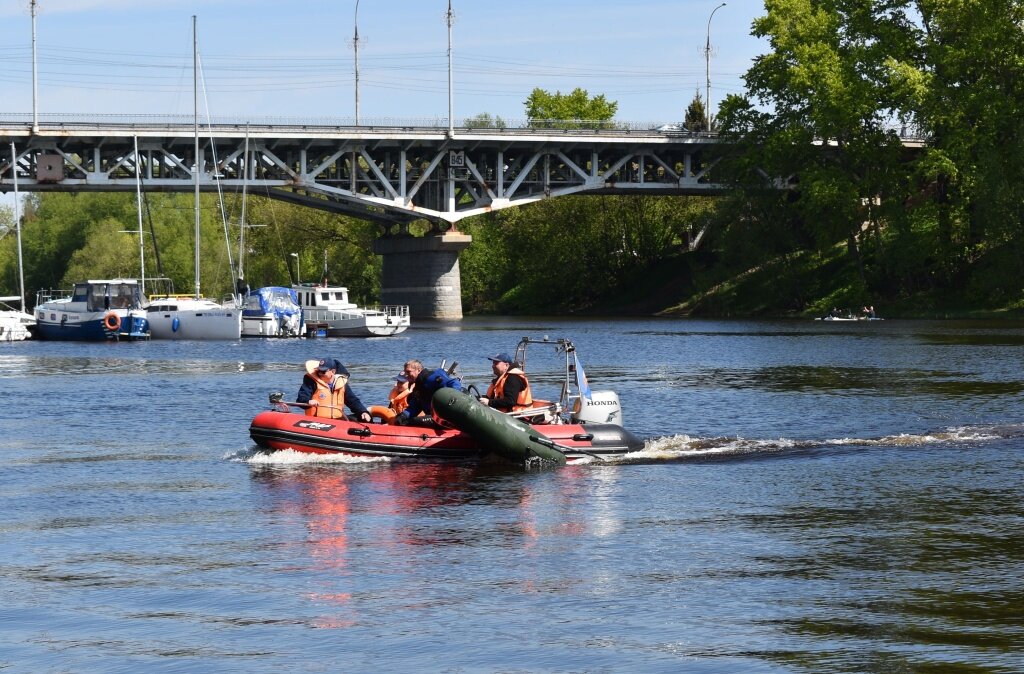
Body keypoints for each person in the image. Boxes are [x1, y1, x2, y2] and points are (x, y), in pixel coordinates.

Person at [297, 357, 372, 422]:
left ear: (333, 372)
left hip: (338, 420)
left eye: (323, 371)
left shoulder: (341, 383)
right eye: (319, 371)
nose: (320, 373)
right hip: (317, 421)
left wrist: (363, 411)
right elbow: (301, 398)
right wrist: (308, 401)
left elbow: (352, 400)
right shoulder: (311, 381)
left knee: (365, 418)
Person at [394, 365, 462, 425]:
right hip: (433, 417)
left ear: (418, 370)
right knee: (404, 421)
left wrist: (452, 400)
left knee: (410, 422)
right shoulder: (417, 389)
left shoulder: (431, 378)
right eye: (405, 372)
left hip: (446, 418)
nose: (406, 375)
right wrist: (403, 415)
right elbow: (413, 408)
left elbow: (455, 382)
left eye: (408, 372)